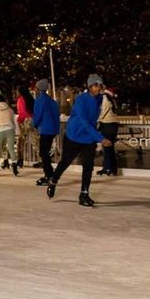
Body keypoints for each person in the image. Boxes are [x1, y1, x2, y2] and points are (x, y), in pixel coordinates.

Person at [45, 74, 112, 207]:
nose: (99, 88)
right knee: (65, 162)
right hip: (74, 136)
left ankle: (84, 194)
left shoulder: (99, 98)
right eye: (96, 85)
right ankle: (53, 180)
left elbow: (94, 118)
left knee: (88, 166)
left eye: (100, 85)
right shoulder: (81, 100)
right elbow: (85, 122)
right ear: (90, 86)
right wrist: (100, 138)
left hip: (88, 139)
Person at [33, 79, 61, 187]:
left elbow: (38, 115)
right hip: (52, 129)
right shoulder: (52, 101)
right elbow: (56, 115)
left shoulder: (40, 100)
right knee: (46, 152)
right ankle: (50, 173)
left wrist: (35, 124)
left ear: (38, 89)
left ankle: (49, 175)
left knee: (43, 153)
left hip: (45, 129)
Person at [97, 86, 120, 176]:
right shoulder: (112, 99)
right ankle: (112, 169)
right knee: (110, 147)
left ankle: (107, 168)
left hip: (107, 124)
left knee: (107, 147)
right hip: (113, 124)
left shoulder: (104, 98)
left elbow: (103, 111)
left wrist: (97, 120)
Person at [15, 85, 35, 168]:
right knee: (36, 140)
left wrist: (19, 120)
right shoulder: (31, 99)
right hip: (33, 120)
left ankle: (20, 159)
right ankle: (41, 159)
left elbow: (22, 113)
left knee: (21, 141)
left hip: (25, 121)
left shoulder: (21, 99)